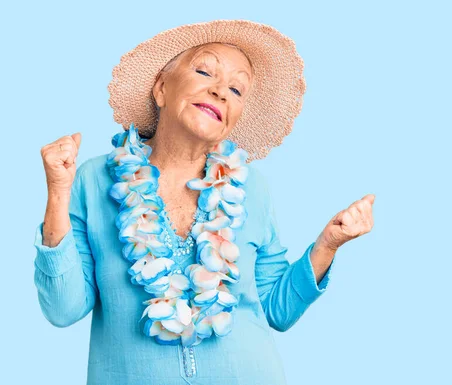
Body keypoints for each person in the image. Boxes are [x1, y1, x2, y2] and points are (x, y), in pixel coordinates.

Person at [34, 19, 375, 385]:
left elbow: (278, 310)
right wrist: (57, 191)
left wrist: (327, 244)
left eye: (237, 89)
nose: (221, 91)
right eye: (204, 71)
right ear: (162, 88)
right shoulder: (93, 179)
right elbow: (63, 308)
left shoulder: (252, 189)